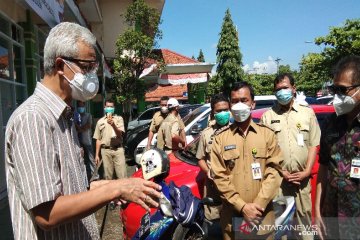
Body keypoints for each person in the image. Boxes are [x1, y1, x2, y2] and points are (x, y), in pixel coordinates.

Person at [5, 22, 162, 240]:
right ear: (60, 65)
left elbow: (69, 189)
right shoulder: (34, 118)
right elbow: (46, 214)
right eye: (86, 67)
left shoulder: (65, 116)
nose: (91, 76)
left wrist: (102, 187)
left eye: (93, 69)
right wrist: (115, 189)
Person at [211, 81, 283, 240]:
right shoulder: (220, 139)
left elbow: (275, 172)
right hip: (232, 219)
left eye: (244, 100)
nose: (239, 105)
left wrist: (257, 206)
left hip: (261, 217)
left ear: (253, 104)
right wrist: (242, 207)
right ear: (230, 105)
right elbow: (219, 176)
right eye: (235, 101)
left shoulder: (267, 135)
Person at [260, 73, 321, 239]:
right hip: (280, 180)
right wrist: (282, 172)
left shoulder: (307, 113)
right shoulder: (267, 117)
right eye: (278, 89)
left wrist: (307, 171)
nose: (282, 92)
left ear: (293, 89)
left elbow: (313, 144)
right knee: (281, 224)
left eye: (285, 87)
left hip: (303, 179)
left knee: (305, 221)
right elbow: (266, 152)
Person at [315, 55, 360, 239]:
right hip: (331, 219)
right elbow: (323, 167)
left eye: (343, 89)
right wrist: (317, 211)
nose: (338, 96)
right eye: (335, 89)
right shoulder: (330, 123)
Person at [196, 94, 230, 222]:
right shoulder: (206, 134)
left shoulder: (237, 130)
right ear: (213, 113)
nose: (223, 113)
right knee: (214, 224)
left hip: (234, 186)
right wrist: (208, 171)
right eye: (219, 111)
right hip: (213, 188)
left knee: (235, 224)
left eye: (226, 110)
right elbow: (200, 159)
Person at [93, 99, 126, 180]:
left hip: (118, 150)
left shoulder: (119, 119)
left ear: (114, 107)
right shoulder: (100, 121)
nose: (109, 108)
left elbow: (120, 134)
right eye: (108, 106)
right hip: (105, 151)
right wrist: (97, 155)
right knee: (108, 177)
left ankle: (124, 192)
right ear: (104, 107)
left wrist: (113, 125)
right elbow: (98, 139)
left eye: (111, 107)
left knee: (122, 176)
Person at [75, 100, 97, 182]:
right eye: (79, 106)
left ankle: (95, 176)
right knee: (81, 160)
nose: (80, 108)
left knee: (91, 158)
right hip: (78, 142)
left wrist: (79, 129)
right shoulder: (76, 116)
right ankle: (84, 177)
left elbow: (88, 126)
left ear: (84, 106)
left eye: (82, 106)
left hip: (87, 140)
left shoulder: (88, 116)